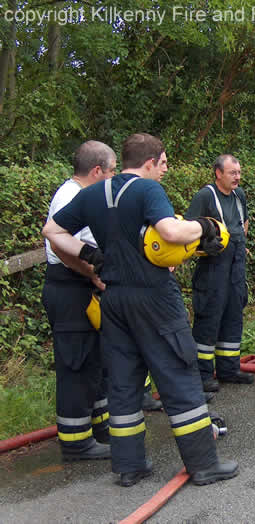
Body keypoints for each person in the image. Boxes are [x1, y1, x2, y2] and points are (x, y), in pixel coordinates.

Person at [43, 133, 238, 487]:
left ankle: (129, 466)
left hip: (114, 299)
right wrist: (206, 226)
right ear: (149, 162)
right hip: (153, 296)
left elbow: (52, 229)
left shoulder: (92, 194)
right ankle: (203, 464)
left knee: (123, 382)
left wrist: (89, 255)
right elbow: (170, 231)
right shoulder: (147, 191)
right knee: (179, 373)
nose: (164, 171)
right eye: (162, 164)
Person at [42, 140, 116, 461]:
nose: (113, 178)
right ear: (97, 170)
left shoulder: (84, 195)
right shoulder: (70, 197)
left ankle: (98, 427)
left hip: (83, 287)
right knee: (75, 364)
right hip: (70, 289)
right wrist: (94, 275)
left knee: (93, 361)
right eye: (112, 171)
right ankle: (75, 442)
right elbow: (62, 246)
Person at [186, 154, 254, 393]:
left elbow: (243, 224)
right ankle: (202, 375)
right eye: (232, 173)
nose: (237, 177)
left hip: (235, 264)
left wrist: (240, 243)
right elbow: (186, 232)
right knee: (209, 316)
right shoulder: (205, 196)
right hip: (212, 267)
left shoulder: (239, 195)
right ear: (218, 173)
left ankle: (229, 368)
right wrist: (204, 246)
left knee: (233, 313)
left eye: (238, 172)